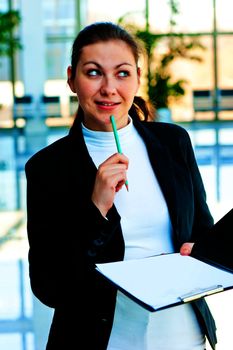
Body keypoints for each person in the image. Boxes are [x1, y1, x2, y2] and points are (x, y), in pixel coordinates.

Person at [25, 21, 217, 350]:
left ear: (139, 78)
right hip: (100, 340)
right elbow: (49, 287)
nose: (109, 88)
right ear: (72, 78)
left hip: (183, 337)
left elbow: (202, 230)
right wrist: (95, 208)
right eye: (94, 72)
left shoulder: (174, 143)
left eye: (123, 73)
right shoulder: (48, 168)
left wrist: (200, 252)